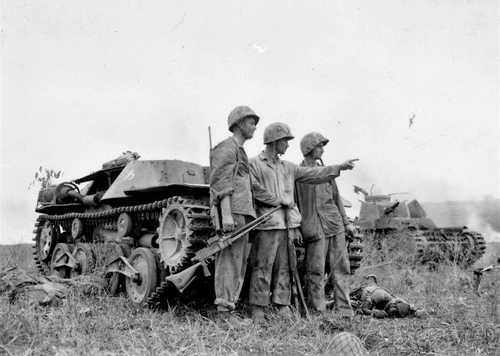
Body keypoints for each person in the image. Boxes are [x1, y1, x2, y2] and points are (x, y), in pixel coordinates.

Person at [248, 123, 358, 321]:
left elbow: (318, 177)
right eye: (285, 141)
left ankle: (282, 305)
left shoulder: (289, 168)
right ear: (275, 141)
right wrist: (277, 200)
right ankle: (259, 308)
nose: (288, 145)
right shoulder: (255, 163)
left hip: (291, 225)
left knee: (285, 267)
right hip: (270, 224)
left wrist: (338, 167)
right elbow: (253, 188)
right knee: (263, 266)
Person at [295, 132, 355, 317]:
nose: (322, 149)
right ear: (309, 149)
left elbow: (336, 198)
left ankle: (344, 310)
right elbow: (294, 203)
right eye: (319, 146)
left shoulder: (327, 172)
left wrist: (346, 223)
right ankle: (317, 311)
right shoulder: (298, 173)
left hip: (334, 224)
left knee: (342, 268)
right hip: (314, 227)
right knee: (315, 270)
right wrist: (296, 228)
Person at [209, 105, 260, 313]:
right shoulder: (227, 147)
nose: (255, 127)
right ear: (238, 124)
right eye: (251, 122)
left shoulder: (240, 150)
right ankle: (223, 309)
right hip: (234, 213)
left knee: (239, 261)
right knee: (230, 260)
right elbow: (222, 182)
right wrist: (227, 214)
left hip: (243, 212)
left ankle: (229, 305)